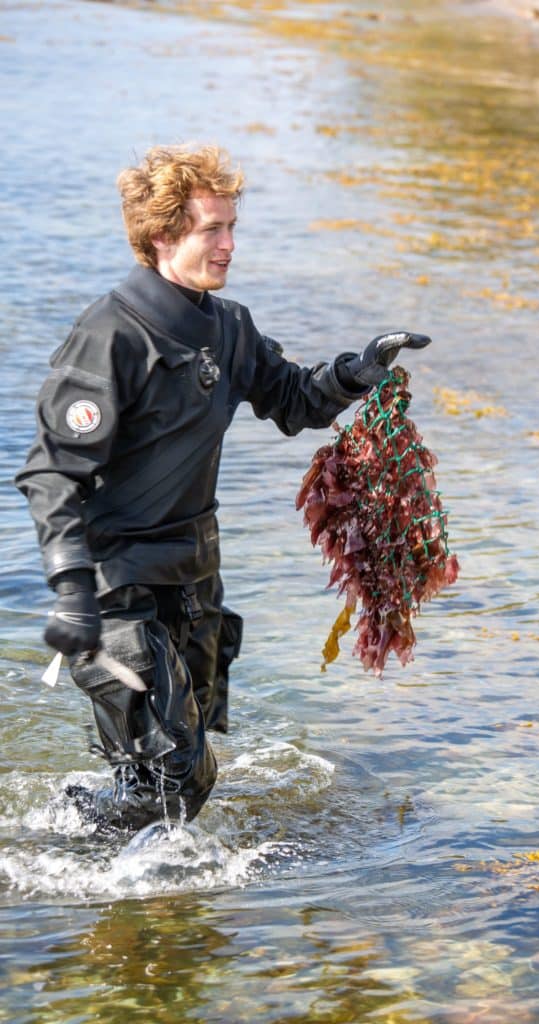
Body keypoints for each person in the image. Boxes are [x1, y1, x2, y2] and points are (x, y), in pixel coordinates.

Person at [15, 144, 430, 832]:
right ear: (161, 235)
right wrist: (69, 589)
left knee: (166, 777)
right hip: (116, 586)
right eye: (213, 229)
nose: (230, 244)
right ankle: (61, 875)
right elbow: (51, 471)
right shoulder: (109, 335)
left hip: (194, 581)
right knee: (181, 776)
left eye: (232, 226)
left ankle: (106, 868)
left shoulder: (229, 327)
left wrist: (358, 370)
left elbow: (292, 400)